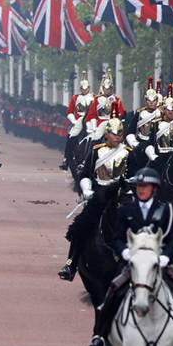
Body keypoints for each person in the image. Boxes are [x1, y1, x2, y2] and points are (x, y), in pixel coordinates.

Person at [90, 168, 173, 346]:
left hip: (159, 260)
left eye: (145, 186)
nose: (141, 190)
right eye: (139, 186)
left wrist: (165, 256)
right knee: (113, 291)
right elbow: (117, 237)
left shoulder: (165, 210)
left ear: (154, 189)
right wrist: (124, 252)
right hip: (132, 261)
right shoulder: (126, 210)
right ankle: (100, 337)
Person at [58, 117, 135, 281]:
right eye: (114, 134)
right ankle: (71, 264)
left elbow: (135, 176)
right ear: (107, 134)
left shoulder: (128, 153)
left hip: (121, 195)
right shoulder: (96, 150)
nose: (118, 137)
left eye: (120, 134)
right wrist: (86, 189)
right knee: (81, 226)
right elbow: (85, 174)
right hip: (100, 194)